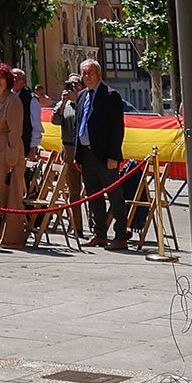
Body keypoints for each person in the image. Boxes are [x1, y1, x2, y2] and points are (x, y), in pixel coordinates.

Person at [74, 57, 131, 250]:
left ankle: (121, 236)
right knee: (93, 196)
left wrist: (114, 156)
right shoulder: (81, 96)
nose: (86, 76)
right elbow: (78, 126)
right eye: (83, 73)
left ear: (99, 74)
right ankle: (99, 234)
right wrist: (78, 155)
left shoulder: (110, 95)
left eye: (90, 72)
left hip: (106, 156)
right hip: (86, 154)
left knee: (115, 197)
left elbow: (117, 128)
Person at [0, 62, 29, 249]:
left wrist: (11, 158)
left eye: (1, 77)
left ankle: (13, 236)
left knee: (12, 194)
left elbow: (15, 132)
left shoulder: (13, 101)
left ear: (8, 80)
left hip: (9, 151)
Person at [51, 75, 86, 241]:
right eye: (70, 84)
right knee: (74, 190)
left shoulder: (85, 101)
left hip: (85, 149)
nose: (72, 87)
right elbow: (55, 120)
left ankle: (97, 227)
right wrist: (64, 102)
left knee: (92, 188)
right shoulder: (63, 104)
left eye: (76, 84)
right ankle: (77, 227)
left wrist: (77, 100)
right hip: (69, 148)